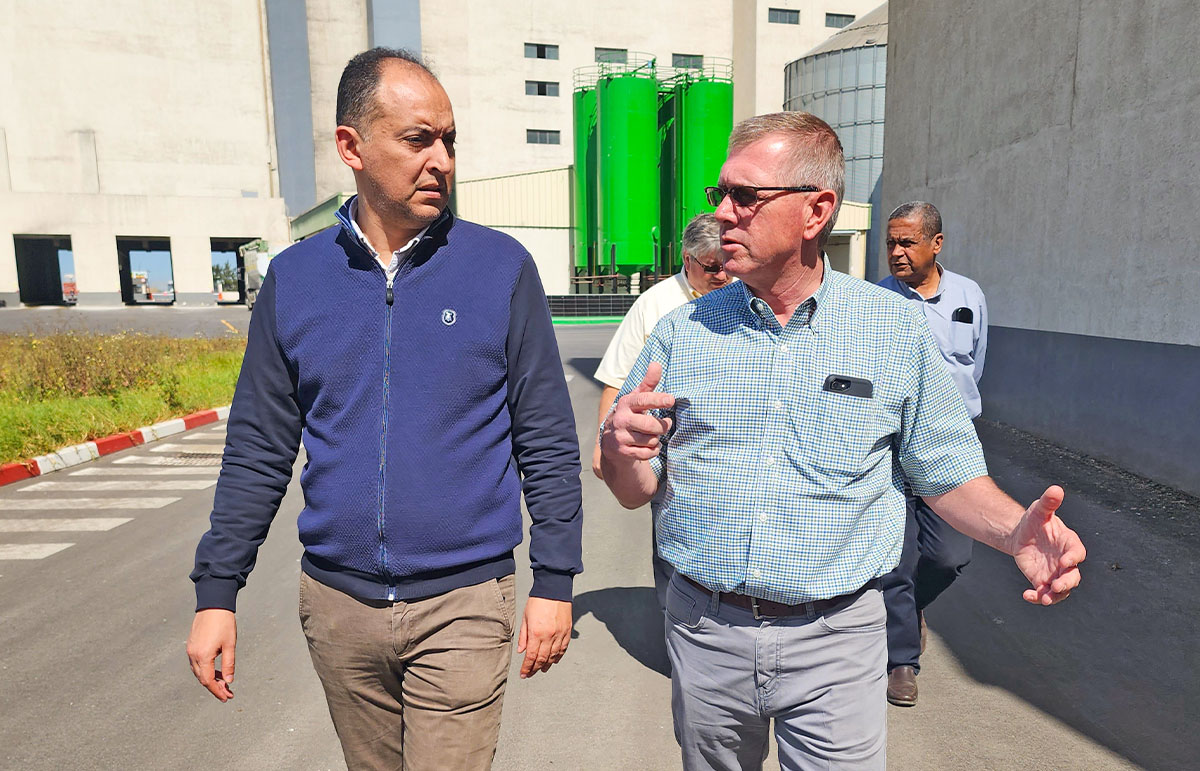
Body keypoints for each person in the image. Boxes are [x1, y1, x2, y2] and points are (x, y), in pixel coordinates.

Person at [599, 111, 1084, 770]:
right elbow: (634, 490)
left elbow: (945, 471)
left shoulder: (891, 330)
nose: (723, 214)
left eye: (745, 196)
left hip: (839, 636)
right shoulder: (682, 331)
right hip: (705, 628)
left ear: (816, 210)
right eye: (720, 195)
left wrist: (1013, 530)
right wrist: (621, 454)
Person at [185, 48, 583, 771]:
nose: (443, 160)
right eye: (418, 139)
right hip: (339, 607)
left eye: (450, 140)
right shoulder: (297, 279)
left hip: (464, 600)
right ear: (352, 146)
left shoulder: (499, 268)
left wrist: (554, 580)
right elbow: (259, 448)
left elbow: (547, 437)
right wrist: (218, 591)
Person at [878, 201, 989, 707]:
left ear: (936, 244)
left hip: (951, 443)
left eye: (907, 243)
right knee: (899, 559)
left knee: (949, 555)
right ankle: (902, 662)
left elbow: (975, 364)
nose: (897, 252)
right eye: (891, 243)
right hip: (893, 447)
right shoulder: (874, 301)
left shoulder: (968, 296)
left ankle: (909, 609)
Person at [592, 212, 730, 609]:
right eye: (712, 267)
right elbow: (617, 377)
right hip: (667, 447)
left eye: (728, 265)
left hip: (720, 446)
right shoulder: (655, 305)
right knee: (673, 538)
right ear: (687, 260)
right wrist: (603, 445)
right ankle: (678, 629)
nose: (723, 275)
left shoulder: (745, 295)